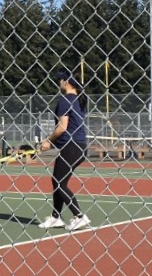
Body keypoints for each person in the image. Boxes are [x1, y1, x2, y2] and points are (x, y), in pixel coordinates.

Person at [38, 70, 90, 231]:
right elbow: (70, 129)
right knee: (58, 181)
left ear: (66, 82)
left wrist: (48, 140)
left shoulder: (65, 101)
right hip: (78, 146)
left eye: (59, 81)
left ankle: (79, 216)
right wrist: (51, 143)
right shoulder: (79, 100)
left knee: (59, 182)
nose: (58, 84)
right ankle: (55, 217)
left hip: (72, 146)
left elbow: (62, 127)